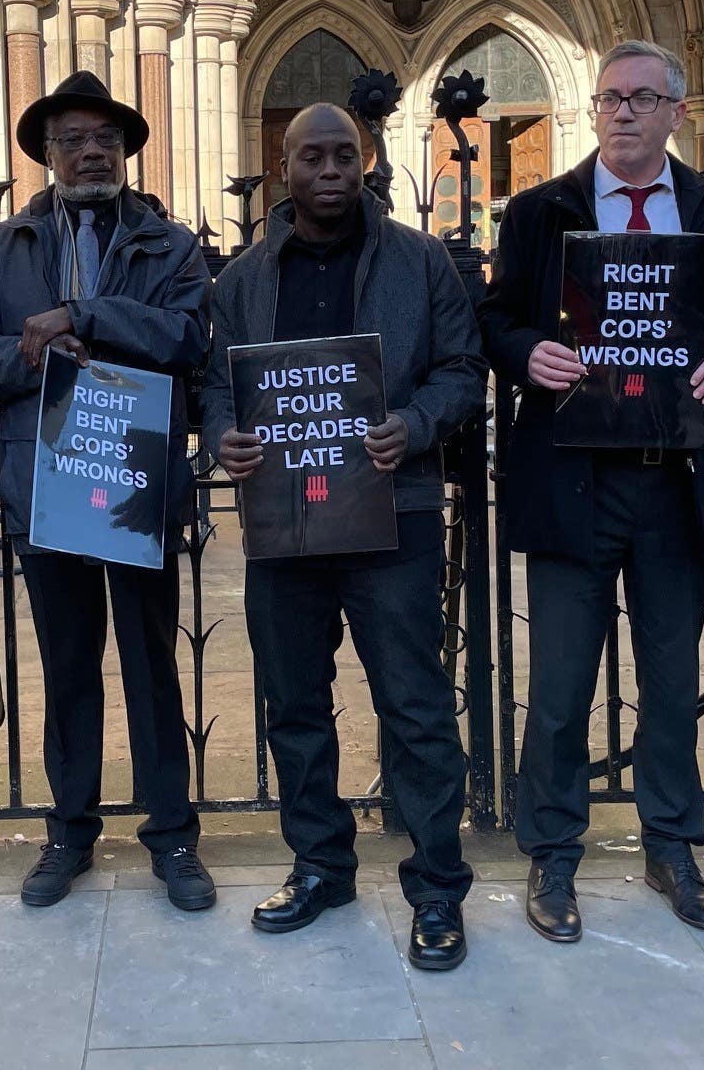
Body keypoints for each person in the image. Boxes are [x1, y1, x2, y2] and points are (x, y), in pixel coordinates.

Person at [477, 39, 704, 940]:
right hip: (572, 480)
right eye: (610, 98)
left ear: (677, 112)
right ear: (593, 110)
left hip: (670, 481)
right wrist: (528, 352)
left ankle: (671, 845)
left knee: (672, 681)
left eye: (644, 98)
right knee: (560, 685)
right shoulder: (541, 210)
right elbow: (495, 317)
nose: (625, 112)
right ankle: (554, 854)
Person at [203, 102, 485, 970]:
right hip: (284, 524)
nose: (328, 170)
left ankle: (437, 885)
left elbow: (464, 370)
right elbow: (216, 386)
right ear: (283, 168)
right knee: (293, 705)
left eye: (342, 155)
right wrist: (224, 436)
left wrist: (416, 421)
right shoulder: (242, 281)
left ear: (365, 162)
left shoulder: (419, 258)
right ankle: (321, 864)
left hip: (392, 519)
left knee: (414, 705)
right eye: (309, 157)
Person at [0, 71, 216, 912]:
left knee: (150, 666)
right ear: (47, 154)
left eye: (105, 137)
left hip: (133, 473)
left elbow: (191, 340)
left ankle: (171, 836)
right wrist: (32, 358)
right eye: (72, 139)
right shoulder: (5, 247)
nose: (91, 150)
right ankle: (69, 832)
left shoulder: (169, 246)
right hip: (45, 478)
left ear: (127, 151)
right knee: (68, 667)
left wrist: (86, 318)